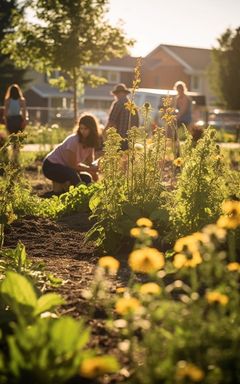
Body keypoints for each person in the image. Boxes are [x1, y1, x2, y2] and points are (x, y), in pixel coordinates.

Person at [42, 113, 100, 190]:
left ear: (92, 129)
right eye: (81, 128)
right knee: (72, 174)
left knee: (87, 178)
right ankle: (79, 195)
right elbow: (72, 166)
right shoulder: (73, 140)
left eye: (86, 129)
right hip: (50, 166)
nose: (83, 131)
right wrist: (91, 169)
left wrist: (94, 173)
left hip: (66, 168)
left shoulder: (90, 143)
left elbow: (90, 163)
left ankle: (88, 196)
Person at [104, 83, 140, 150]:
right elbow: (137, 124)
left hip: (119, 138)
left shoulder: (118, 104)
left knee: (117, 157)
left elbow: (111, 121)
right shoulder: (133, 105)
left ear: (117, 94)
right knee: (126, 158)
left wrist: (103, 133)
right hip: (130, 139)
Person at [3, 83, 27, 162]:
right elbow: (24, 112)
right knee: (18, 139)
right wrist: (24, 121)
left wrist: (6, 123)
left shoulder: (7, 100)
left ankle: (14, 156)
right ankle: (16, 156)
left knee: (12, 138)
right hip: (18, 120)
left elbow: (5, 114)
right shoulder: (21, 100)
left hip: (10, 120)